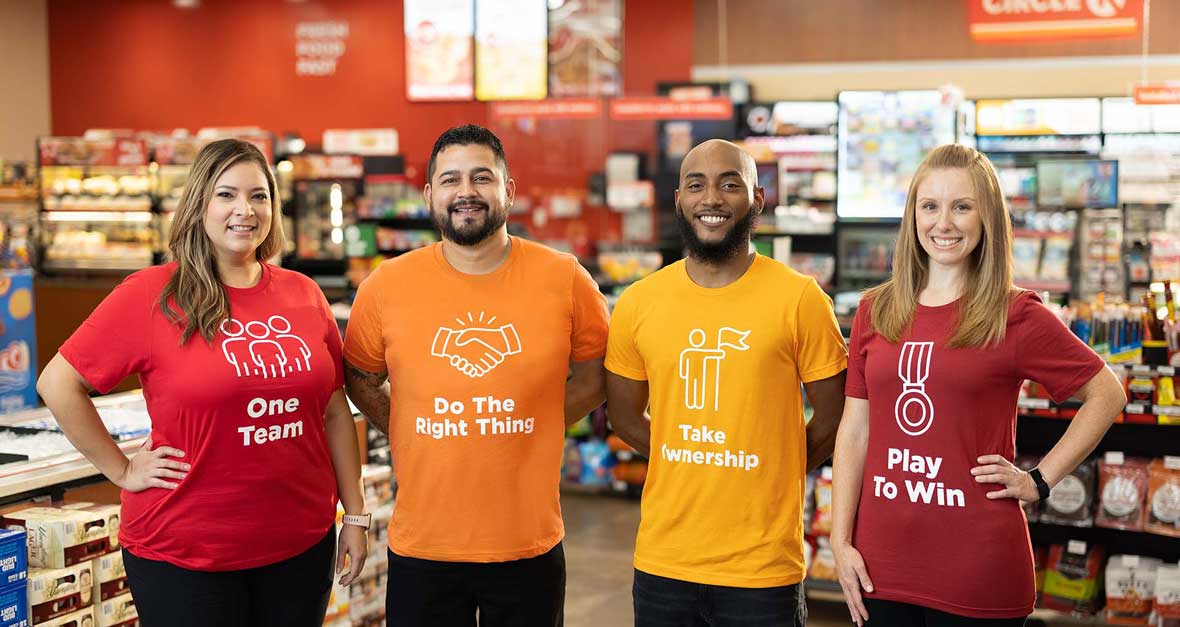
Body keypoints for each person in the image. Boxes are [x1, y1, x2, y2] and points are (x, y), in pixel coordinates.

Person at [36, 139, 368, 627]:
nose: (245, 210)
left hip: (301, 549)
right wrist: (123, 471)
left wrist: (354, 515)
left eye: (259, 196)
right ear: (199, 205)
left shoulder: (304, 293)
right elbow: (58, 383)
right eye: (226, 195)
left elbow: (334, 410)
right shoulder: (151, 295)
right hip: (185, 554)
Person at [831, 144, 1127, 626]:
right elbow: (855, 431)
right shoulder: (876, 309)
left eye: (961, 206)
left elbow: (1106, 392)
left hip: (977, 567)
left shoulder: (1016, 314)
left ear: (986, 217)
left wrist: (1039, 480)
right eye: (930, 206)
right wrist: (841, 541)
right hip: (880, 565)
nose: (943, 223)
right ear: (913, 216)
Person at [342, 124, 609, 627]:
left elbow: (595, 377)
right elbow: (360, 379)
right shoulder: (386, 286)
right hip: (424, 545)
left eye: (481, 177)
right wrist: (410, 425)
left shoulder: (565, 277)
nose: (466, 192)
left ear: (508, 190)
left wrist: (536, 421)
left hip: (527, 544)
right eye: (451, 180)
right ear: (429, 195)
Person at [606, 139, 848, 626]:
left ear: (757, 199)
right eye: (696, 185)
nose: (711, 198)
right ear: (678, 199)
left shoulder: (800, 299)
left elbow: (836, 414)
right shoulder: (638, 302)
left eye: (729, 184)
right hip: (663, 563)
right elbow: (625, 415)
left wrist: (777, 461)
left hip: (763, 571)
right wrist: (687, 459)